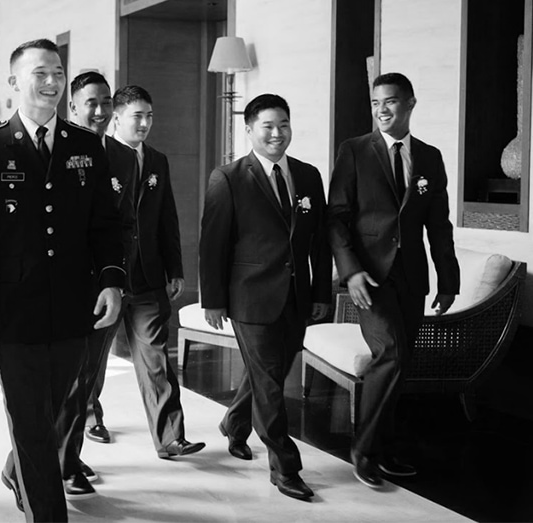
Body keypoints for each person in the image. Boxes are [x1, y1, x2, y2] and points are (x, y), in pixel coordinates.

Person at [0, 39, 124, 522]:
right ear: (14, 83)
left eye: (57, 73)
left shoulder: (87, 145)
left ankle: (17, 472)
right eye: (40, 74)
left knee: (55, 412)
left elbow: (105, 226)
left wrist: (111, 281)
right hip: (14, 310)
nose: (51, 83)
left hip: (75, 307)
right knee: (29, 422)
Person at [327, 72, 459, 489]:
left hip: (412, 278)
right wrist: (351, 272)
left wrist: (448, 279)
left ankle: (381, 449)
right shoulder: (354, 151)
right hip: (369, 278)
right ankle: (363, 450)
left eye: (391, 102)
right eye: (375, 103)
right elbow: (336, 219)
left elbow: (439, 225)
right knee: (392, 354)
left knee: (400, 367)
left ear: (410, 105)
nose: (382, 110)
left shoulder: (430, 158)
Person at [200, 94, 331, 501]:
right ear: (250, 130)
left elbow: (320, 242)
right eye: (268, 127)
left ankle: (235, 424)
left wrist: (321, 291)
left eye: (284, 125)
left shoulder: (308, 176)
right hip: (249, 298)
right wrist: (214, 299)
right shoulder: (228, 178)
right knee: (272, 381)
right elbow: (213, 244)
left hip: (297, 295)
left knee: (267, 373)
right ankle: (285, 467)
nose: (277, 134)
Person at [111, 85, 204, 460]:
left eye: (150, 116)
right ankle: (80, 431)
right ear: (117, 117)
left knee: (156, 359)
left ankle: (170, 438)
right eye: (138, 116)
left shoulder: (157, 161)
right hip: (108, 281)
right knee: (87, 370)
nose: (146, 123)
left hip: (149, 276)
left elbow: (168, 217)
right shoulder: (96, 157)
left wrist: (175, 267)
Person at [55, 71, 130, 494]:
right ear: (74, 107)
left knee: (88, 381)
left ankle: (68, 458)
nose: (100, 111)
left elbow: (123, 224)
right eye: (91, 103)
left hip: (106, 287)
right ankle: (40, 465)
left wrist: (117, 279)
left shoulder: (120, 156)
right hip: (65, 286)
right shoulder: (56, 151)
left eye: (106, 103)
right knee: (67, 382)